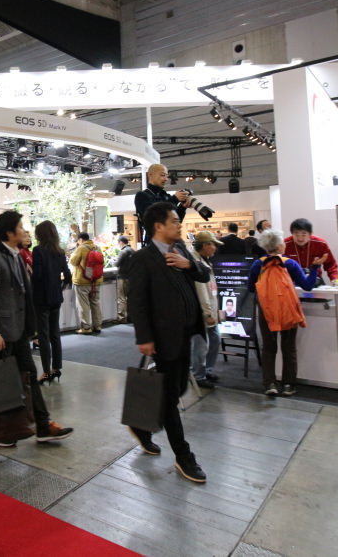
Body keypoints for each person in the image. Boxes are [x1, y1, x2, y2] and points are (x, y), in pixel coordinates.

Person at [127, 201, 210, 483]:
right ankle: (183, 456)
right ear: (158, 226)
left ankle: (141, 425)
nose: (179, 224)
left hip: (187, 333)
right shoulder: (143, 258)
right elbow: (137, 302)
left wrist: (189, 264)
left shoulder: (182, 250)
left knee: (178, 388)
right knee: (171, 398)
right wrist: (144, 337)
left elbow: (204, 274)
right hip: (163, 337)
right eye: (174, 221)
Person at [0, 210, 73, 446]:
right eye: (20, 227)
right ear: (9, 232)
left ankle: (42, 425)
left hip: (19, 330)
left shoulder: (16, 255)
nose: (24, 231)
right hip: (1, 332)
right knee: (1, 382)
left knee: (29, 375)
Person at [248, 228, 324, 397]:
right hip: (287, 309)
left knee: (268, 348)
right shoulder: (290, 264)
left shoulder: (257, 264)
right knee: (289, 348)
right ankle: (289, 384)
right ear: (279, 246)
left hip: (267, 310)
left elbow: (251, 288)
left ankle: (269, 384)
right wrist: (315, 267)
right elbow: (307, 286)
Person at [32, 221, 73, 384]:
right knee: (55, 334)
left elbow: (37, 276)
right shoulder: (59, 252)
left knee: (43, 336)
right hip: (56, 298)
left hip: (42, 299)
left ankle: (46, 371)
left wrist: (30, 275)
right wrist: (59, 288)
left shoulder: (38, 251)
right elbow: (68, 276)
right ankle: (56, 368)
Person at [191, 231, 223, 389]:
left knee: (214, 339)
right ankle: (199, 375)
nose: (215, 248)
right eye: (213, 245)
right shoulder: (197, 262)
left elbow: (210, 290)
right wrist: (207, 313)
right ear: (204, 245)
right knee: (201, 344)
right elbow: (202, 291)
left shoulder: (205, 261)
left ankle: (206, 370)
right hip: (202, 312)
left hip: (210, 308)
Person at [134, 163, 190, 243]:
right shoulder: (142, 196)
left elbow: (176, 221)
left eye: (167, 176)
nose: (166, 179)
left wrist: (183, 207)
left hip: (171, 242)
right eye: (162, 175)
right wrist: (174, 199)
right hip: (154, 243)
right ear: (150, 175)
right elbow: (154, 217)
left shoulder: (165, 196)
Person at [283, 218, 338, 284]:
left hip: (315, 279)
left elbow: (331, 264)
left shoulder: (320, 244)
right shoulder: (284, 244)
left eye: (304, 234)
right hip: (293, 281)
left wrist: (335, 279)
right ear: (292, 233)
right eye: (296, 234)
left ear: (310, 234)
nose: (300, 238)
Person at [70, 232, 103, 335]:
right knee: (95, 303)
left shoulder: (81, 248)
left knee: (83, 305)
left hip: (82, 281)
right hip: (96, 281)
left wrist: (74, 251)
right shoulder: (97, 247)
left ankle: (86, 327)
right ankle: (97, 326)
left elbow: (73, 262)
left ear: (80, 240)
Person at [115, 235, 135, 323]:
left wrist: (112, 260)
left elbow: (116, 264)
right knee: (130, 298)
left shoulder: (122, 252)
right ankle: (131, 317)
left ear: (121, 242)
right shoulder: (133, 250)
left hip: (122, 277)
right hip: (131, 277)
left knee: (122, 298)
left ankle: (122, 318)